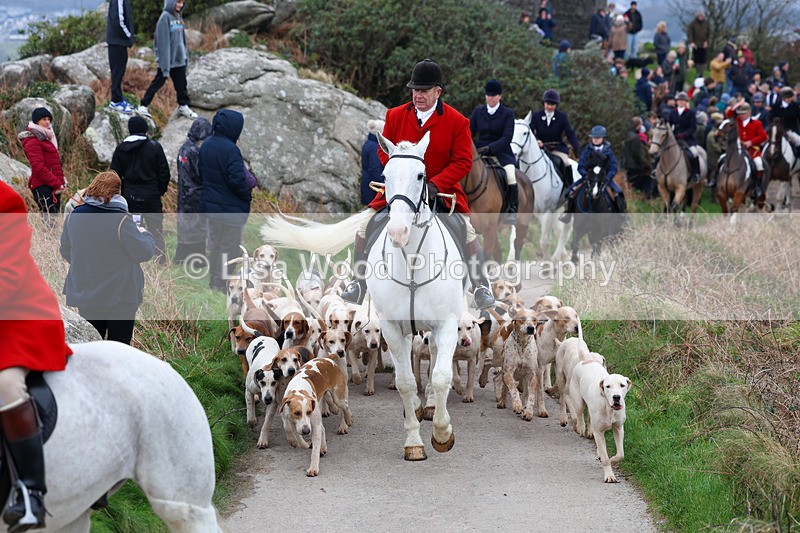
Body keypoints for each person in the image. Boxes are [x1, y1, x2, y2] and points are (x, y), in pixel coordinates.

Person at [340, 59, 495, 310]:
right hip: (401, 191)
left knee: (466, 230)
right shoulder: (394, 115)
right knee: (364, 225)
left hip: (441, 192)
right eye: (415, 90)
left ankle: (480, 286)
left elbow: (463, 161)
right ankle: (358, 283)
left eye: (424, 90)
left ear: (438, 92)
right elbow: (384, 150)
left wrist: (435, 184)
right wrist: (400, 173)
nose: (418, 95)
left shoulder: (457, 121)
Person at [0, 180, 72, 532]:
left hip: (21, 317)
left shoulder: (6, 201)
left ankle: (30, 493)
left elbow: (6, 276)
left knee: (5, 384)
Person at [60, 171, 156, 344]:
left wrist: (87, 265)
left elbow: (66, 251)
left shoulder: (74, 215)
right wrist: (145, 234)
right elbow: (144, 252)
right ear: (117, 192)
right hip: (120, 295)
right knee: (119, 347)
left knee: (92, 346)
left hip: (87, 293)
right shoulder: (122, 220)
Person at [200, 109, 251, 293]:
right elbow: (237, 180)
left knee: (215, 245)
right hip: (231, 209)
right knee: (230, 248)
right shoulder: (231, 150)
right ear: (233, 127)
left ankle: (214, 280)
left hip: (211, 207)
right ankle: (223, 284)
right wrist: (246, 196)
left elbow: (201, 174)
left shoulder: (206, 144)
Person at [110, 116, 170, 264]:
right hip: (151, 197)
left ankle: (133, 260)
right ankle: (159, 262)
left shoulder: (121, 149)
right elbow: (164, 173)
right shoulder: (155, 147)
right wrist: (159, 191)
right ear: (145, 129)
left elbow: (114, 175)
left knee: (132, 229)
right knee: (156, 230)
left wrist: (120, 194)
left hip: (130, 197)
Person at [137, 0, 197, 119]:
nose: (180, 5)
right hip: (167, 61)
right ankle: (143, 105)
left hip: (179, 59)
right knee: (158, 82)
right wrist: (165, 64)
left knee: (181, 84)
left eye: (182, 2)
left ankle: (183, 106)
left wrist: (185, 56)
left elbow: (182, 39)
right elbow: (162, 43)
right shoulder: (165, 18)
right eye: (178, 2)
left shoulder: (178, 16)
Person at [470, 79, 517, 224]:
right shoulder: (478, 112)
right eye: (488, 95)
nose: (490, 98)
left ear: (500, 96)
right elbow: (469, 132)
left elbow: (507, 138)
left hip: (501, 153)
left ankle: (511, 210)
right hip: (480, 152)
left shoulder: (508, 113)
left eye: (494, 95)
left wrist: (491, 148)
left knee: (510, 175)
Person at [560, 125, 624, 222]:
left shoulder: (608, 151)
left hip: (604, 179)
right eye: (594, 138)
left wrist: (608, 177)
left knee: (618, 193)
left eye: (598, 138)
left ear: (603, 138)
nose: (595, 140)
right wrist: (585, 175)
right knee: (571, 193)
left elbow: (613, 166)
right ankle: (568, 214)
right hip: (588, 178)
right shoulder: (587, 150)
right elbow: (581, 165)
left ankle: (621, 215)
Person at [18, 107, 66, 225]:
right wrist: (57, 183)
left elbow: (53, 165)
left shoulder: (46, 138)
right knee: (49, 223)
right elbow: (38, 168)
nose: (47, 122)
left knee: (53, 223)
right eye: (44, 119)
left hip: (52, 186)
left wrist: (61, 180)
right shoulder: (32, 141)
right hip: (42, 186)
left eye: (49, 119)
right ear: (36, 121)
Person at [174, 116, 213, 263]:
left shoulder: (183, 148)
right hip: (195, 195)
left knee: (185, 228)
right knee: (197, 230)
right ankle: (197, 261)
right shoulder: (195, 151)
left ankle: (181, 259)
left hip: (183, 194)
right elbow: (201, 174)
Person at [531, 88, 580, 187]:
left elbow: (570, 133)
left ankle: (569, 187)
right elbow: (530, 131)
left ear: (556, 105)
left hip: (556, 148)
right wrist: (536, 141)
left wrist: (577, 148)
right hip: (540, 148)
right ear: (544, 103)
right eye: (547, 104)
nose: (549, 107)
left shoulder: (562, 117)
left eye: (552, 104)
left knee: (566, 163)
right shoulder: (536, 116)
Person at [716, 101, 768, 191]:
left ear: (749, 113)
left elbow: (763, 136)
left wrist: (751, 142)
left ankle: (757, 187)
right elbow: (729, 114)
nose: (741, 116)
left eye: (743, 114)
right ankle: (716, 180)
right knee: (721, 159)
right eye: (740, 114)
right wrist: (735, 106)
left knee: (759, 164)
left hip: (752, 150)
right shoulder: (737, 121)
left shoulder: (756, 123)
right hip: (737, 149)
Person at [106, 0, 135, 114]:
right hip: (117, 42)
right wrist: (129, 36)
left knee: (119, 72)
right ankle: (116, 101)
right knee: (117, 73)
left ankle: (118, 98)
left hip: (118, 43)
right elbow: (118, 20)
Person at [667, 91, 702, 183]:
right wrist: (671, 133)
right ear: (677, 102)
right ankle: (656, 170)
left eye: (683, 101)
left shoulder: (691, 113)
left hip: (687, 138)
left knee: (694, 153)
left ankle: (696, 173)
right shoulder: (672, 112)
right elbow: (669, 124)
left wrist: (685, 134)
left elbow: (693, 127)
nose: (681, 102)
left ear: (686, 102)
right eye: (679, 100)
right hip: (674, 138)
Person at [622, 116, 653, 197]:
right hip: (636, 166)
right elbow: (637, 154)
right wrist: (644, 163)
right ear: (638, 125)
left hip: (629, 164)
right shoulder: (635, 138)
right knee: (640, 186)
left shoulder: (628, 134)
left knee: (632, 186)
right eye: (641, 124)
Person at [360, 119, 385, 206]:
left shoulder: (368, 143)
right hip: (373, 187)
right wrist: (384, 183)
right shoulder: (374, 147)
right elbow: (375, 169)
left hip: (367, 182)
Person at [771, 86, 800, 155]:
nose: (790, 99)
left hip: (790, 130)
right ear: (783, 98)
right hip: (777, 130)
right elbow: (772, 119)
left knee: (799, 141)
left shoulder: (795, 106)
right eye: (788, 97)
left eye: (790, 97)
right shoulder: (776, 106)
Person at [686, 11, 710, 76]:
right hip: (696, 45)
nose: (701, 17)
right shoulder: (693, 24)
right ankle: (697, 72)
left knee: (703, 60)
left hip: (703, 45)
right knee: (696, 60)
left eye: (702, 16)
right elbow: (689, 33)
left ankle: (702, 73)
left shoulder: (706, 24)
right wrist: (691, 42)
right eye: (699, 16)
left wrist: (706, 41)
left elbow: (708, 34)